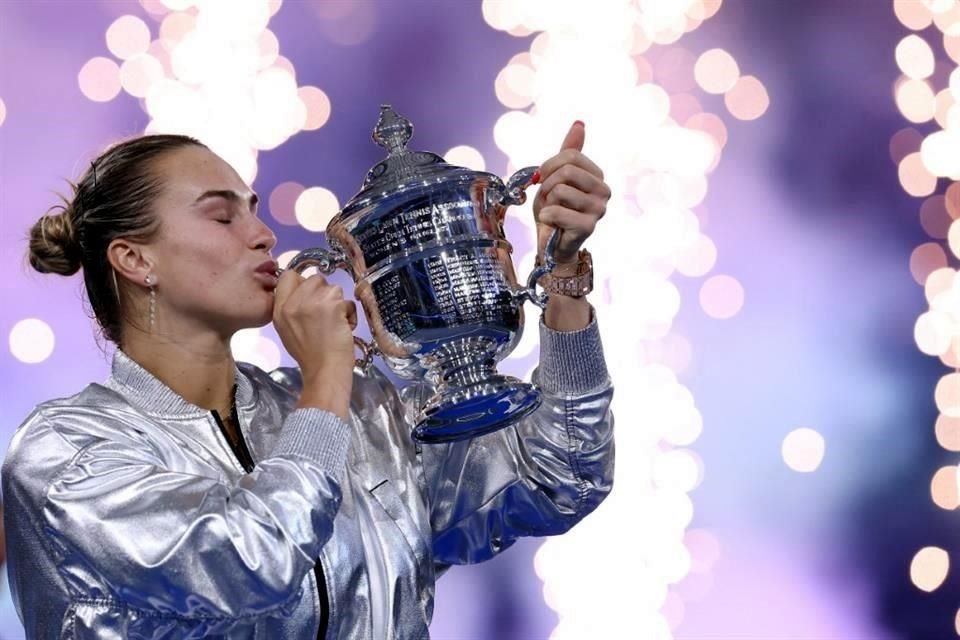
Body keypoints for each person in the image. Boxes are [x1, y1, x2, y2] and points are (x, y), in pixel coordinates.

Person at [3, 121, 614, 639]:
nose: (263, 235)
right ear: (135, 259)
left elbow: (560, 474)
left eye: (255, 211)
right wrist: (325, 378)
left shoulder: (360, 408)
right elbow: (250, 560)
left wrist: (561, 276)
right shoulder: (64, 452)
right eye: (221, 216)